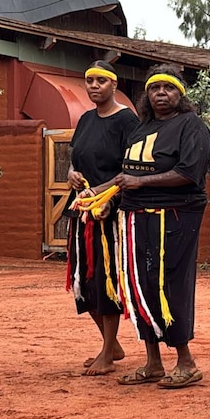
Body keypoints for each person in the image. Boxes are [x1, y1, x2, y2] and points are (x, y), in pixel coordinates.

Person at [108, 64, 210, 389]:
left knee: (170, 284)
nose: (161, 94)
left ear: (179, 94)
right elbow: (124, 176)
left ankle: (186, 362)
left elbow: (188, 173)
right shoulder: (142, 128)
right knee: (141, 285)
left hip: (175, 217)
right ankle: (153, 362)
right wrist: (96, 194)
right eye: (154, 89)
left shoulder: (191, 126)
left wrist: (141, 182)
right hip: (136, 217)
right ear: (147, 95)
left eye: (168, 89)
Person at [65, 60, 140, 376]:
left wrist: (100, 190)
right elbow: (73, 161)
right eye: (89, 80)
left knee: (105, 279)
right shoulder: (84, 120)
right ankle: (111, 345)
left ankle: (108, 353)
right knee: (83, 281)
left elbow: (133, 168)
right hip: (82, 209)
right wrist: (71, 176)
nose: (94, 86)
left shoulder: (127, 121)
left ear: (114, 84)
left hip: (109, 211)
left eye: (101, 81)